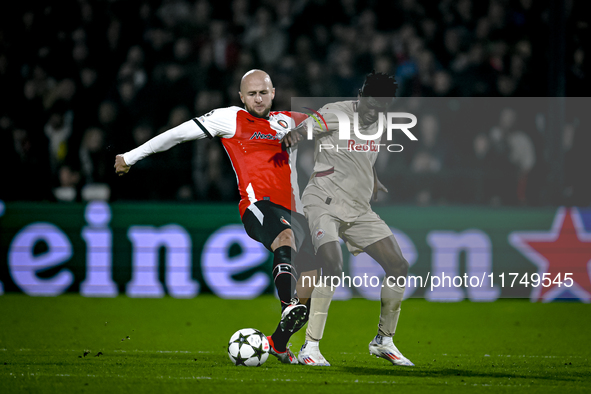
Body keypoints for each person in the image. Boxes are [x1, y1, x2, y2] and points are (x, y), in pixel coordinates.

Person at [114, 69, 316, 364]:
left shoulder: (287, 120)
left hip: (294, 211)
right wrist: (131, 157)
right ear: (241, 97)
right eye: (251, 94)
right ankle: (287, 303)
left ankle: (278, 343)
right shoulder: (230, 117)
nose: (258, 99)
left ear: (273, 93)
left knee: (312, 280)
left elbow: (330, 119)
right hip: (259, 204)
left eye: (263, 92)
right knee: (284, 240)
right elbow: (178, 133)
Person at [283, 71, 414, 366]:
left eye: (380, 108)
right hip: (323, 201)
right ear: (359, 95)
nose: (373, 113)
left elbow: (362, 156)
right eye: (370, 105)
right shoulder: (335, 113)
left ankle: (384, 340)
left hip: (358, 208)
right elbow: (307, 128)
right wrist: (296, 135)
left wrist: (373, 180)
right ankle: (310, 347)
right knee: (332, 264)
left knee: (398, 266)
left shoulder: (380, 122)